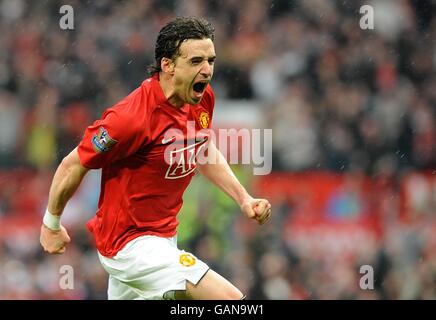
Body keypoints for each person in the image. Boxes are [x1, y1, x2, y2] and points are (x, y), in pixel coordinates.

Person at [40, 17, 271, 300]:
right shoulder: (131, 118)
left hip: (162, 240)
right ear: (168, 65)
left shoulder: (202, 99)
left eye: (211, 60)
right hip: (128, 247)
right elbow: (73, 164)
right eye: (196, 61)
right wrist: (51, 224)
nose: (207, 70)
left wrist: (244, 198)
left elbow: (201, 149)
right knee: (231, 301)